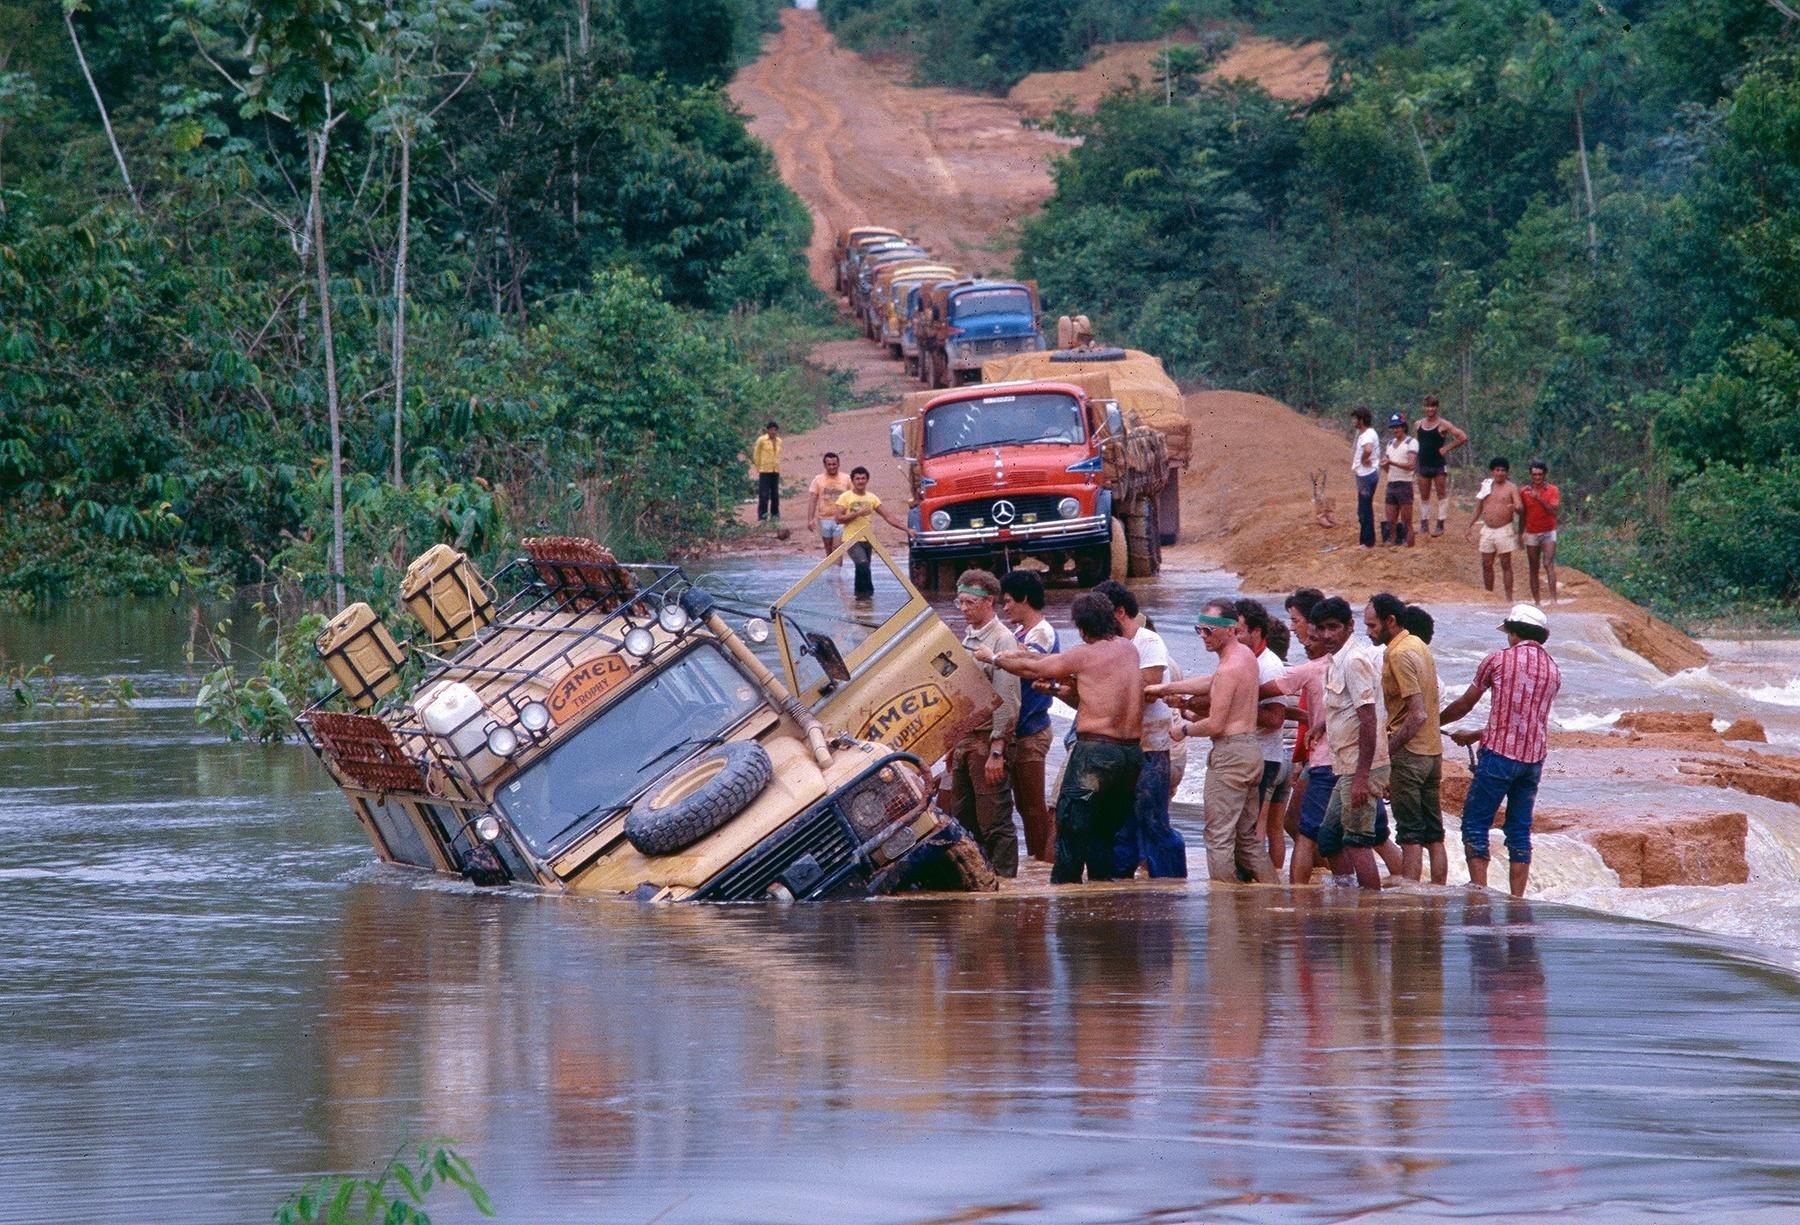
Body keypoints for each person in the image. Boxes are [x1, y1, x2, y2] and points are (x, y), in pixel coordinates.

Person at [982, 592, 1145, 884]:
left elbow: (1036, 668)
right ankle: (1101, 897)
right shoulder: (1128, 650)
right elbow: (1088, 685)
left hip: (1095, 755)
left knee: (1070, 826)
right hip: (1130, 756)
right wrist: (1051, 684)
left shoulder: (1083, 653)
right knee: (1104, 831)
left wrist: (994, 658)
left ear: (1082, 628)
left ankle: (1065, 896)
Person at [1439, 603, 1561, 898]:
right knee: (1519, 830)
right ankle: (1516, 898)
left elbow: (1465, 704)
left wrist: (1435, 722)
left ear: (1513, 632)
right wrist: (1478, 734)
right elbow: (1526, 719)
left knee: (1475, 824)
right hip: (1533, 759)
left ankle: (1480, 891)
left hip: (1498, 756)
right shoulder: (1553, 669)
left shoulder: (1497, 661)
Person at [1268, 597, 1387, 890]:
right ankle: (1346, 894)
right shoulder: (1334, 660)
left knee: (1355, 841)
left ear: (1350, 626)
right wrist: (1321, 724)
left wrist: (1361, 778)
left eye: (1334, 627)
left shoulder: (1354, 661)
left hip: (1356, 767)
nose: (1327, 635)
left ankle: (1370, 910)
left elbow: (1368, 719)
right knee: (1330, 836)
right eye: (1321, 629)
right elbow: (1345, 708)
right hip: (1342, 763)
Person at [1169, 598, 1277, 884]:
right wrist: (1164, 688)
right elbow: (1211, 681)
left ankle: (1223, 912)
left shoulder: (1229, 667)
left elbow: (1215, 724)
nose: (1203, 637)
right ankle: (1273, 899)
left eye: (1209, 631)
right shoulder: (1244, 657)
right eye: (1199, 630)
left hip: (1230, 757)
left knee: (1218, 838)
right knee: (1248, 840)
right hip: (1250, 752)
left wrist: (1184, 730)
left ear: (1229, 629)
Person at [1094, 581, 1187, 878]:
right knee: (1120, 823)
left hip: (1150, 747)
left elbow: (1149, 683)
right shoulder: (1105, 644)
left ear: (1119, 612)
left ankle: (1172, 883)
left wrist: (1099, 686)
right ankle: (1122, 885)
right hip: (1120, 746)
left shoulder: (1147, 641)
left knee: (1153, 820)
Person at [1366, 593, 1446, 884]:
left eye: (1373, 626)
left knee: (1410, 834)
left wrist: (1387, 752)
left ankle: (1410, 897)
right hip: (1432, 752)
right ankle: (1437, 892)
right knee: (1434, 834)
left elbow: (1417, 714)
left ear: (1391, 621)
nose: (1369, 632)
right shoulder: (1419, 645)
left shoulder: (1398, 654)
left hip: (1410, 754)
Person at [944, 570, 1020, 877]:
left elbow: (1008, 697)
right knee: (964, 819)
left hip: (988, 741)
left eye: (969, 603)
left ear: (989, 602)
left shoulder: (1002, 639)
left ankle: (1006, 882)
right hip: (967, 741)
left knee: (995, 820)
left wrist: (997, 750)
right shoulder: (970, 636)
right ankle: (980, 879)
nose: (963, 609)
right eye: (959, 602)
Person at [1000, 569, 1058, 863]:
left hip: (1032, 729)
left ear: (1024, 599)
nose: (1005, 607)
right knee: (1023, 804)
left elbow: (1029, 665)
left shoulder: (1042, 633)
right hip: (1021, 729)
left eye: (1009, 601)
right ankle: (1038, 858)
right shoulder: (1019, 633)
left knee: (1033, 805)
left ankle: (1042, 860)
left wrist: (998, 656)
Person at [1235, 599, 1294, 872]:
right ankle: (1273, 878)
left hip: (1265, 758)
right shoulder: (1250, 661)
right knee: (1272, 829)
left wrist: (1239, 705)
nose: (1234, 637)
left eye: (1239, 632)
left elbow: (1275, 718)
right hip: (1273, 757)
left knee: (1253, 830)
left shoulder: (1268, 665)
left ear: (1257, 632)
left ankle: (1263, 884)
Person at [834, 467, 907, 599]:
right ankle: (864, 596)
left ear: (867, 480)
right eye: (857, 479)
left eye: (863, 478)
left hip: (868, 540)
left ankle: (863, 600)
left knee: (865, 567)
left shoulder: (872, 498)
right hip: (851, 538)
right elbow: (838, 519)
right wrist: (857, 514)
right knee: (862, 563)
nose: (860, 481)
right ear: (852, 480)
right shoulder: (845, 497)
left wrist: (907, 530)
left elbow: (888, 517)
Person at [1468, 457, 1524, 602]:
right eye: (1497, 470)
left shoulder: (1511, 487)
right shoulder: (1486, 485)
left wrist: (1515, 507)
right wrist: (1469, 525)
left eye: (1503, 470)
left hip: (1504, 529)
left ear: (1507, 472)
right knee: (1486, 563)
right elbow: (1478, 507)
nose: (1500, 473)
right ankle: (1489, 595)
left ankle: (1509, 598)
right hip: (1487, 529)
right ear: (1493, 471)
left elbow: (1520, 506)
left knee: (1505, 563)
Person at [1414, 395, 1468, 537]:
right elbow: (1417, 442)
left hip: (1438, 464)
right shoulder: (1418, 424)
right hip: (1423, 464)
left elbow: (1462, 436)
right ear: (1424, 407)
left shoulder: (1444, 424)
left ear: (1437, 407)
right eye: (1427, 406)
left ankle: (1440, 524)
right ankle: (1424, 524)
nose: (1430, 409)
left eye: (1433, 406)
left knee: (1441, 494)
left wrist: (1447, 448)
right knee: (1424, 495)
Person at [1521, 459, 1561, 605]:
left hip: (1548, 531)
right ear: (1530, 475)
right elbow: (1522, 514)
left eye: (1539, 474)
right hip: (1531, 532)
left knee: (1548, 563)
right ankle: (1537, 602)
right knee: (1533, 567)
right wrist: (1520, 533)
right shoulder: (1524, 491)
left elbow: (1553, 510)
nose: (1537, 477)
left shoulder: (1552, 490)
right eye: (1534, 474)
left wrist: (1539, 499)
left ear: (1544, 475)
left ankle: (1553, 600)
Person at [1380, 412, 1418, 547]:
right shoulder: (1390, 443)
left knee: (1407, 521)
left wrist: (1391, 462)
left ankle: (1410, 546)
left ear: (1404, 426)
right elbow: (1387, 468)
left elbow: (1411, 465)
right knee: (1390, 520)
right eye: (1393, 427)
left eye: (1398, 426)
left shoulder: (1411, 442)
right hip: (1392, 483)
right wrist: (1385, 465)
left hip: (1405, 484)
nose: (1395, 429)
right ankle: (1393, 543)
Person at [806, 452, 850, 557]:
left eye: (834, 464)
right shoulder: (818, 480)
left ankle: (837, 571)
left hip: (841, 519)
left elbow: (853, 497)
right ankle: (832, 571)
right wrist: (810, 519)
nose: (832, 467)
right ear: (825, 465)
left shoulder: (847, 479)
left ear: (838, 464)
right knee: (828, 548)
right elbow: (813, 500)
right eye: (829, 464)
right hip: (824, 518)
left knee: (837, 547)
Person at [1351, 407, 1380, 549]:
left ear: (1361, 420)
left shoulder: (1366, 435)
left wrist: (1363, 460)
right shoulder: (1369, 433)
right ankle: (1366, 540)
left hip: (1366, 475)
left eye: (1355, 418)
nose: (1353, 421)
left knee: (1364, 509)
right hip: (1368, 474)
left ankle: (1367, 542)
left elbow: (1368, 449)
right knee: (1365, 508)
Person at [752, 420, 782, 522]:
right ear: (767, 430)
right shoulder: (761, 440)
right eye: (771, 430)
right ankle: (762, 517)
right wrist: (758, 467)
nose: (773, 432)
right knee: (764, 495)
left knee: (775, 495)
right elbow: (756, 454)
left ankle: (775, 516)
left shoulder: (779, 441)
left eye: (775, 430)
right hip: (764, 470)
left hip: (775, 470)